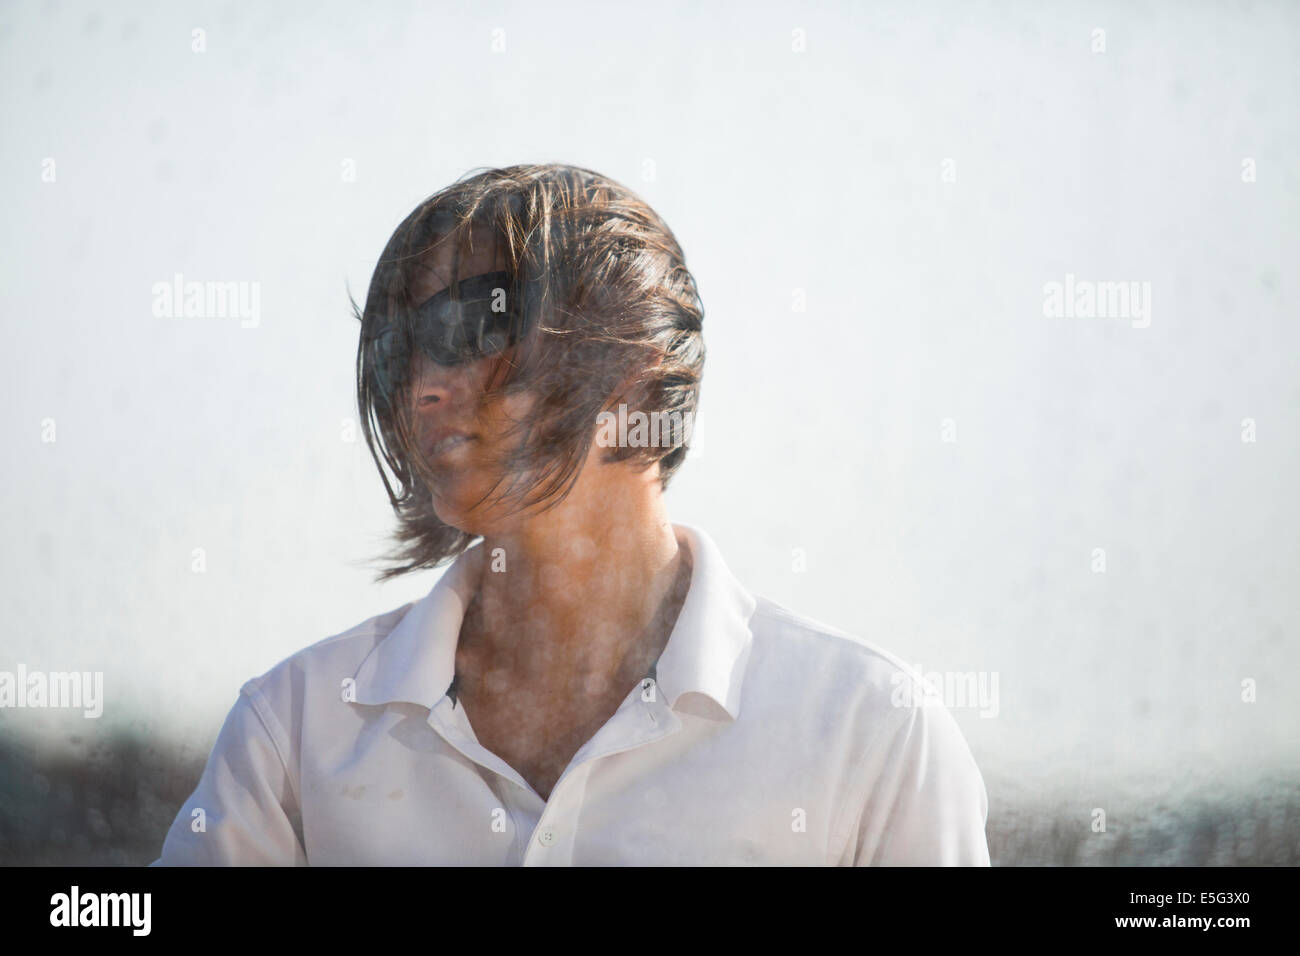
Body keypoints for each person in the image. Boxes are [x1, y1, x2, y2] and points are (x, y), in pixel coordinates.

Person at [152, 163, 990, 865]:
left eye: (473, 323)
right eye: (400, 349)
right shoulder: (298, 730)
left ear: (634, 358)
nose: (423, 386)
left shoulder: (867, 735)